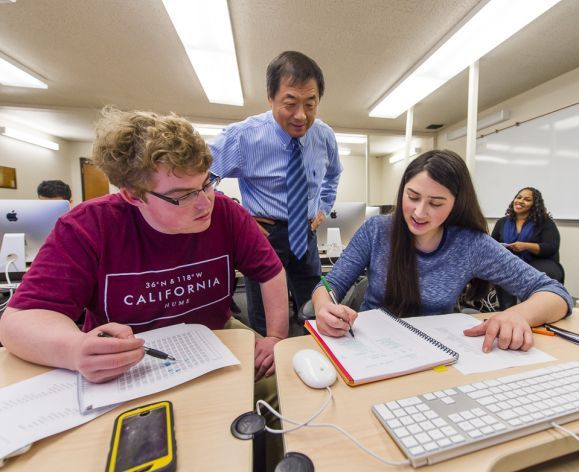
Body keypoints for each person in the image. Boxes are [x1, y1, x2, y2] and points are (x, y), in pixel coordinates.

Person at [0, 106, 289, 385]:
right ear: (134, 196)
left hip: (215, 336)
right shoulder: (87, 226)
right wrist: (74, 349)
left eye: (207, 184)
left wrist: (275, 336)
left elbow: (271, 272)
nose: (205, 203)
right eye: (182, 195)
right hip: (129, 357)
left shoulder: (227, 213)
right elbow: (17, 322)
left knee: (281, 383)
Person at [313, 150, 572, 353]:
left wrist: (516, 314)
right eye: (412, 197)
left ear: (456, 205)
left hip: (437, 350)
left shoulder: (471, 244)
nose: (419, 212)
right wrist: (324, 306)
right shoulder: (377, 230)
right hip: (371, 346)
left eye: (435, 203)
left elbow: (557, 294)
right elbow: (329, 284)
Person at [210, 51, 342, 336]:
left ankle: (319, 358)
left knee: (316, 307)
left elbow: (333, 175)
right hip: (264, 235)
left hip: (305, 233)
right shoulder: (242, 136)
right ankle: (270, 373)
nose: (301, 115)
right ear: (270, 98)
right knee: (268, 319)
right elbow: (200, 179)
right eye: (290, 103)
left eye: (311, 104)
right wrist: (238, 218)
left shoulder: (324, 136)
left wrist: (322, 206)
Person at [491, 187, 565, 310]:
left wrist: (526, 246)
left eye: (527, 199)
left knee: (536, 272)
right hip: (510, 262)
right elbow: (492, 244)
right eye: (518, 197)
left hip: (539, 263)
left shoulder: (545, 223)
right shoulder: (502, 222)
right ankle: (507, 309)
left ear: (534, 204)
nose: (520, 201)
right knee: (504, 269)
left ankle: (536, 310)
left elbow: (551, 247)